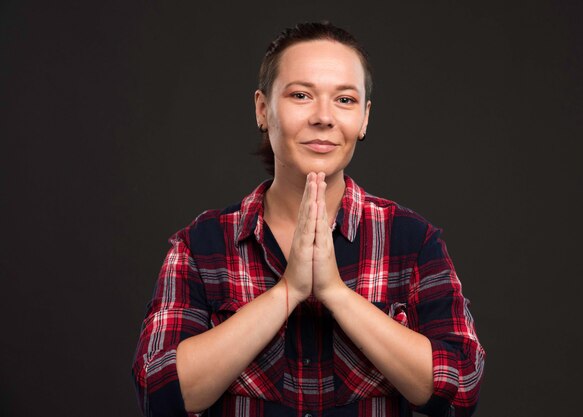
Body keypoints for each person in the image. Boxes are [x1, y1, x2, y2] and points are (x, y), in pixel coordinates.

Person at [132, 21, 485, 417]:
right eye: (301, 95)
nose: (324, 118)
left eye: (345, 100)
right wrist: (288, 291)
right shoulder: (201, 245)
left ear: (365, 119)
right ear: (263, 110)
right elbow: (159, 392)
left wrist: (336, 293)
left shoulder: (412, 241)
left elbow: (461, 388)